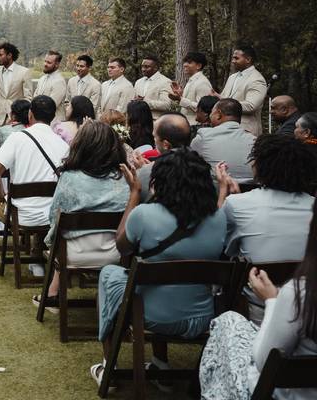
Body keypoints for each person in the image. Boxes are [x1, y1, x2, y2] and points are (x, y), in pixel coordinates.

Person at [91, 148, 226, 386]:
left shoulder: (144, 215)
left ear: (159, 182)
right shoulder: (220, 218)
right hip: (204, 316)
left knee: (110, 274)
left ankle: (109, 366)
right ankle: (160, 363)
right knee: (157, 280)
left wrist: (134, 194)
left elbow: (121, 246)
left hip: (152, 316)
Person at [199, 197, 317, 400]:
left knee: (228, 322)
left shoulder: (302, 292)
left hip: (284, 392)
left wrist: (272, 301)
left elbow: (264, 361)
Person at [216, 135, 316, 323]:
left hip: (256, 309)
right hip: (308, 310)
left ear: (259, 166)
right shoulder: (313, 205)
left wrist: (227, 197)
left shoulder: (237, 205)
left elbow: (225, 247)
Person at [35, 121, 130, 311]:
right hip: (116, 253)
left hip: (72, 255)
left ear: (81, 146)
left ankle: (52, 294)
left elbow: (54, 218)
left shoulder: (70, 178)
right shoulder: (124, 179)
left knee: (60, 235)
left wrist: (50, 244)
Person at [0, 95, 69, 277]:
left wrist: (1, 196)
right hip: (52, 217)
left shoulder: (18, 138)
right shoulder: (62, 143)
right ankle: (37, 262)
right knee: (43, 203)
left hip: (20, 215)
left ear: (31, 114)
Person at [191, 98, 256, 186]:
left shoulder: (203, 137)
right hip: (249, 194)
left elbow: (190, 168)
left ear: (218, 115)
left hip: (216, 194)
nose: (210, 117)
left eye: (211, 113)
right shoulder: (254, 140)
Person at [137, 113, 192, 201]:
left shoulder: (150, 171)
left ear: (166, 145)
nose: (154, 140)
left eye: (155, 137)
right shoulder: (201, 166)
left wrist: (143, 171)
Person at [220, 44, 268, 136]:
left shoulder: (257, 79)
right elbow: (224, 98)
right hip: (226, 129)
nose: (233, 61)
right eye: (233, 58)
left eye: (236, 58)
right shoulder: (232, 77)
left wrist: (224, 103)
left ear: (248, 60)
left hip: (246, 131)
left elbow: (251, 106)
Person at [0, 42, 33, 128]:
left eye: (0, 55)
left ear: (9, 55)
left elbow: (28, 98)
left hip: (17, 120)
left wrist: (16, 115)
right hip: (0, 119)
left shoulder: (24, 72)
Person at [170, 51, 214, 124]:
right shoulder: (192, 80)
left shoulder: (202, 82)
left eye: (189, 62)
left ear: (198, 66)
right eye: (185, 62)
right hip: (187, 123)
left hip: (196, 125)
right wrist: (180, 94)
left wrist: (180, 99)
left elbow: (204, 108)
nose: (185, 65)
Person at [133, 54, 174, 120]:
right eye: (142, 66)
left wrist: (145, 102)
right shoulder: (138, 82)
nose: (143, 69)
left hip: (155, 122)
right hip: (138, 121)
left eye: (147, 67)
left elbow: (166, 105)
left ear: (156, 67)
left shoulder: (165, 82)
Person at [34, 50, 68, 122]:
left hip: (55, 123)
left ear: (57, 64)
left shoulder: (60, 81)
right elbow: (35, 98)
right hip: (41, 121)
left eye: (49, 62)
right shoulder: (42, 79)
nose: (45, 64)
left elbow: (51, 105)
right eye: (45, 61)